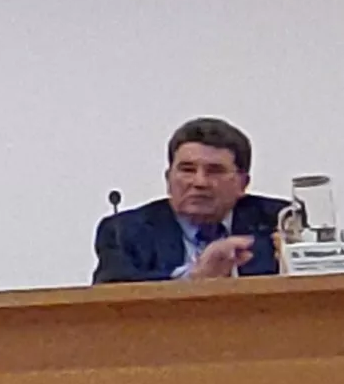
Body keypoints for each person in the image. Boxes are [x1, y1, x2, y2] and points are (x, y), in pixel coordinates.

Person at [93, 118, 287, 282]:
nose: (199, 182)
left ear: (242, 183)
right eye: (187, 170)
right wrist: (195, 277)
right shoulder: (123, 231)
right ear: (168, 179)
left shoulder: (280, 222)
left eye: (215, 171)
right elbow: (112, 289)